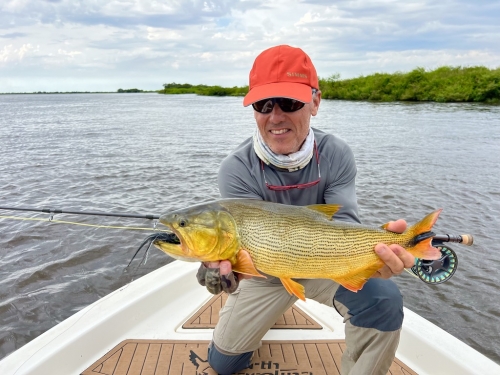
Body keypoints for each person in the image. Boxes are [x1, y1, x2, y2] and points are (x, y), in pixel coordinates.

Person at [196, 44, 416, 375]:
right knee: (224, 364)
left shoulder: (337, 153)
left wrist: (372, 257)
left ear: (315, 102)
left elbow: (343, 223)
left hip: (323, 262)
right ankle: (271, 310)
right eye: (263, 104)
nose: (275, 116)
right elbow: (242, 248)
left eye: (289, 102)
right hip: (266, 271)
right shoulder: (236, 169)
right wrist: (224, 274)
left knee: (383, 299)